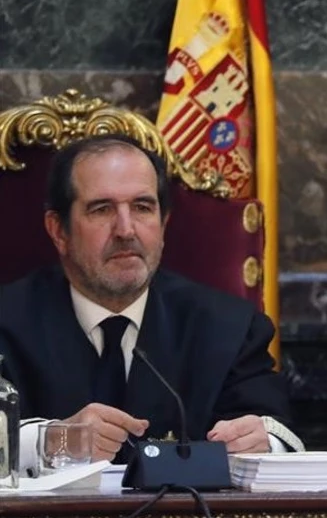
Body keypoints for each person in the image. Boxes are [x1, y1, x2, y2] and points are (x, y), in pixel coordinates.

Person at [0, 135, 302, 473]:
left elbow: (282, 433)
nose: (126, 230)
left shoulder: (227, 326)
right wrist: (47, 441)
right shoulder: (7, 322)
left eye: (143, 207)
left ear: (164, 223)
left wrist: (262, 442)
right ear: (58, 230)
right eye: (102, 209)